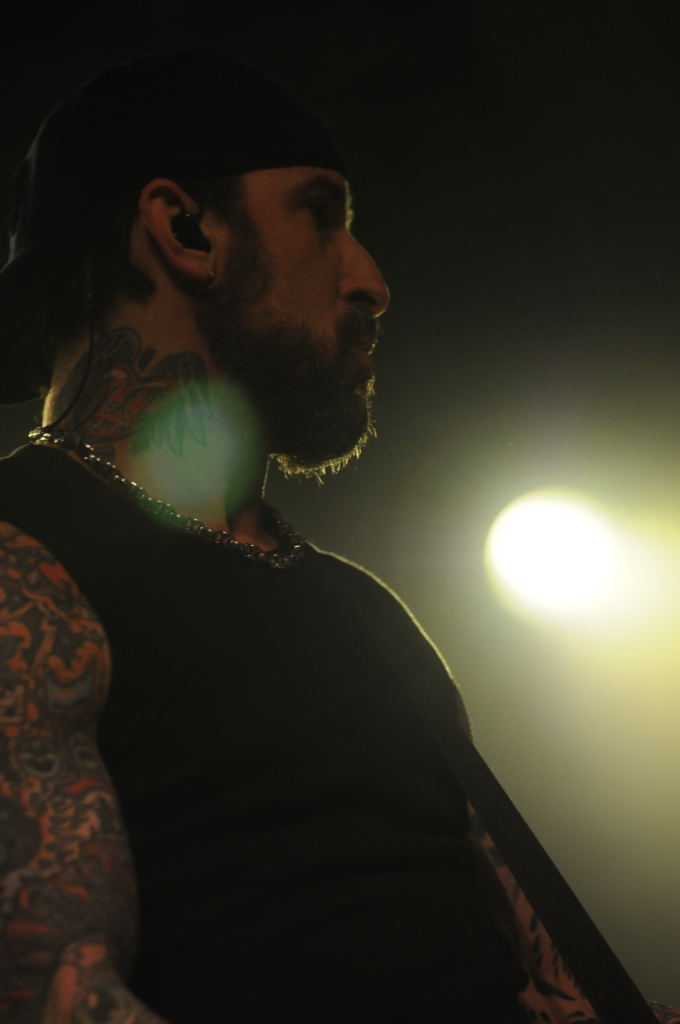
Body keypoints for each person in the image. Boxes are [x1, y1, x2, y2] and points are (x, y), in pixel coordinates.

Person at [0, 50, 540, 1024]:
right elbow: (51, 991)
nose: (371, 280)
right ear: (185, 229)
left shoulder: (367, 613)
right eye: (321, 214)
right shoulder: (18, 561)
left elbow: (555, 988)